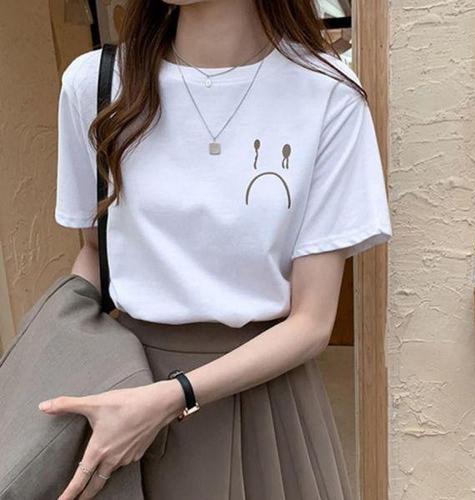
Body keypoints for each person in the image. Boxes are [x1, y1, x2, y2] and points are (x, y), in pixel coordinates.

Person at [43, 0, 393, 498]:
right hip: (126, 388)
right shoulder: (97, 84)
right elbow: (98, 256)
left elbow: (313, 323)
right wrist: (53, 356)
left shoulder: (327, 94)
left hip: (266, 400)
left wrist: (174, 397)